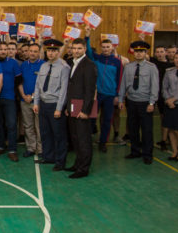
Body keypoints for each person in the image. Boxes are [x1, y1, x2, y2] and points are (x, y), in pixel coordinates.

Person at [118, 41, 159, 165]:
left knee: (146, 130)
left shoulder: (151, 67)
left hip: (145, 102)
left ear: (145, 53)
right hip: (131, 101)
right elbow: (123, 84)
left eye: (141, 51)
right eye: (136, 51)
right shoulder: (129, 67)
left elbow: (155, 86)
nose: (138, 53)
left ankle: (147, 154)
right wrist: (121, 99)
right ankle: (135, 151)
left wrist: (152, 103)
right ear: (133, 53)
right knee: (133, 128)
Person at [33, 40, 70, 171]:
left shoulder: (64, 67)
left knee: (59, 135)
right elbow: (37, 85)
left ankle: (60, 161)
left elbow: (64, 90)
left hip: (55, 105)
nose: (51, 53)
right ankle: (48, 157)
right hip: (43, 104)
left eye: (54, 51)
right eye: (49, 50)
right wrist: (36, 102)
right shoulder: (43, 66)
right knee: (45, 133)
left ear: (59, 52)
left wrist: (59, 108)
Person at [84, 27, 122, 153]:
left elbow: (119, 79)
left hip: (110, 96)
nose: (105, 49)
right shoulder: (96, 58)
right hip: (97, 94)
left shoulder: (117, 62)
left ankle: (103, 142)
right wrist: (87, 36)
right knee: (91, 119)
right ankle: (88, 141)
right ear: (101, 47)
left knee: (107, 120)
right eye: (104, 47)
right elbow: (88, 50)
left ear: (112, 48)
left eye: (108, 47)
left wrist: (117, 95)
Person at [64, 38, 97, 178]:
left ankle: (83, 169)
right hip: (73, 105)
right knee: (75, 137)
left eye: (79, 48)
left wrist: (85, 111)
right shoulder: (72, 63)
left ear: (84, 49)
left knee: (83, 139)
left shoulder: (89, 65)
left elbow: (90, 90)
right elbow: (71, 88)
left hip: (83, 108)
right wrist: (68, 107)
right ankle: (78, 164)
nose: (76, 51)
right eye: (74, 48)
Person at [0, 42, 22, 162]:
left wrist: (21, 95)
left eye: (6, 49)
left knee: (11, 124)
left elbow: (19, 81)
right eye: (1, 49)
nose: (4, 51)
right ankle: (0, 146)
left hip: (9, 98)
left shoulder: (13, 63)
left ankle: (12, 150)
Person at [18, 43, 44, 158]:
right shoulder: (23, 65)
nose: (32, 53)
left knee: (39, 126)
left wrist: (33, 97)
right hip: (24, 101)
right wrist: (24, 96)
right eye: (31, 51)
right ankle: (31, 148)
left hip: (38, 102)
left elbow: (43, 84)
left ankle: (41, 149)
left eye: (35, 51)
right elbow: (19, 82)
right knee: (28, 125)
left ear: (39, 53)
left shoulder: (43, 65)